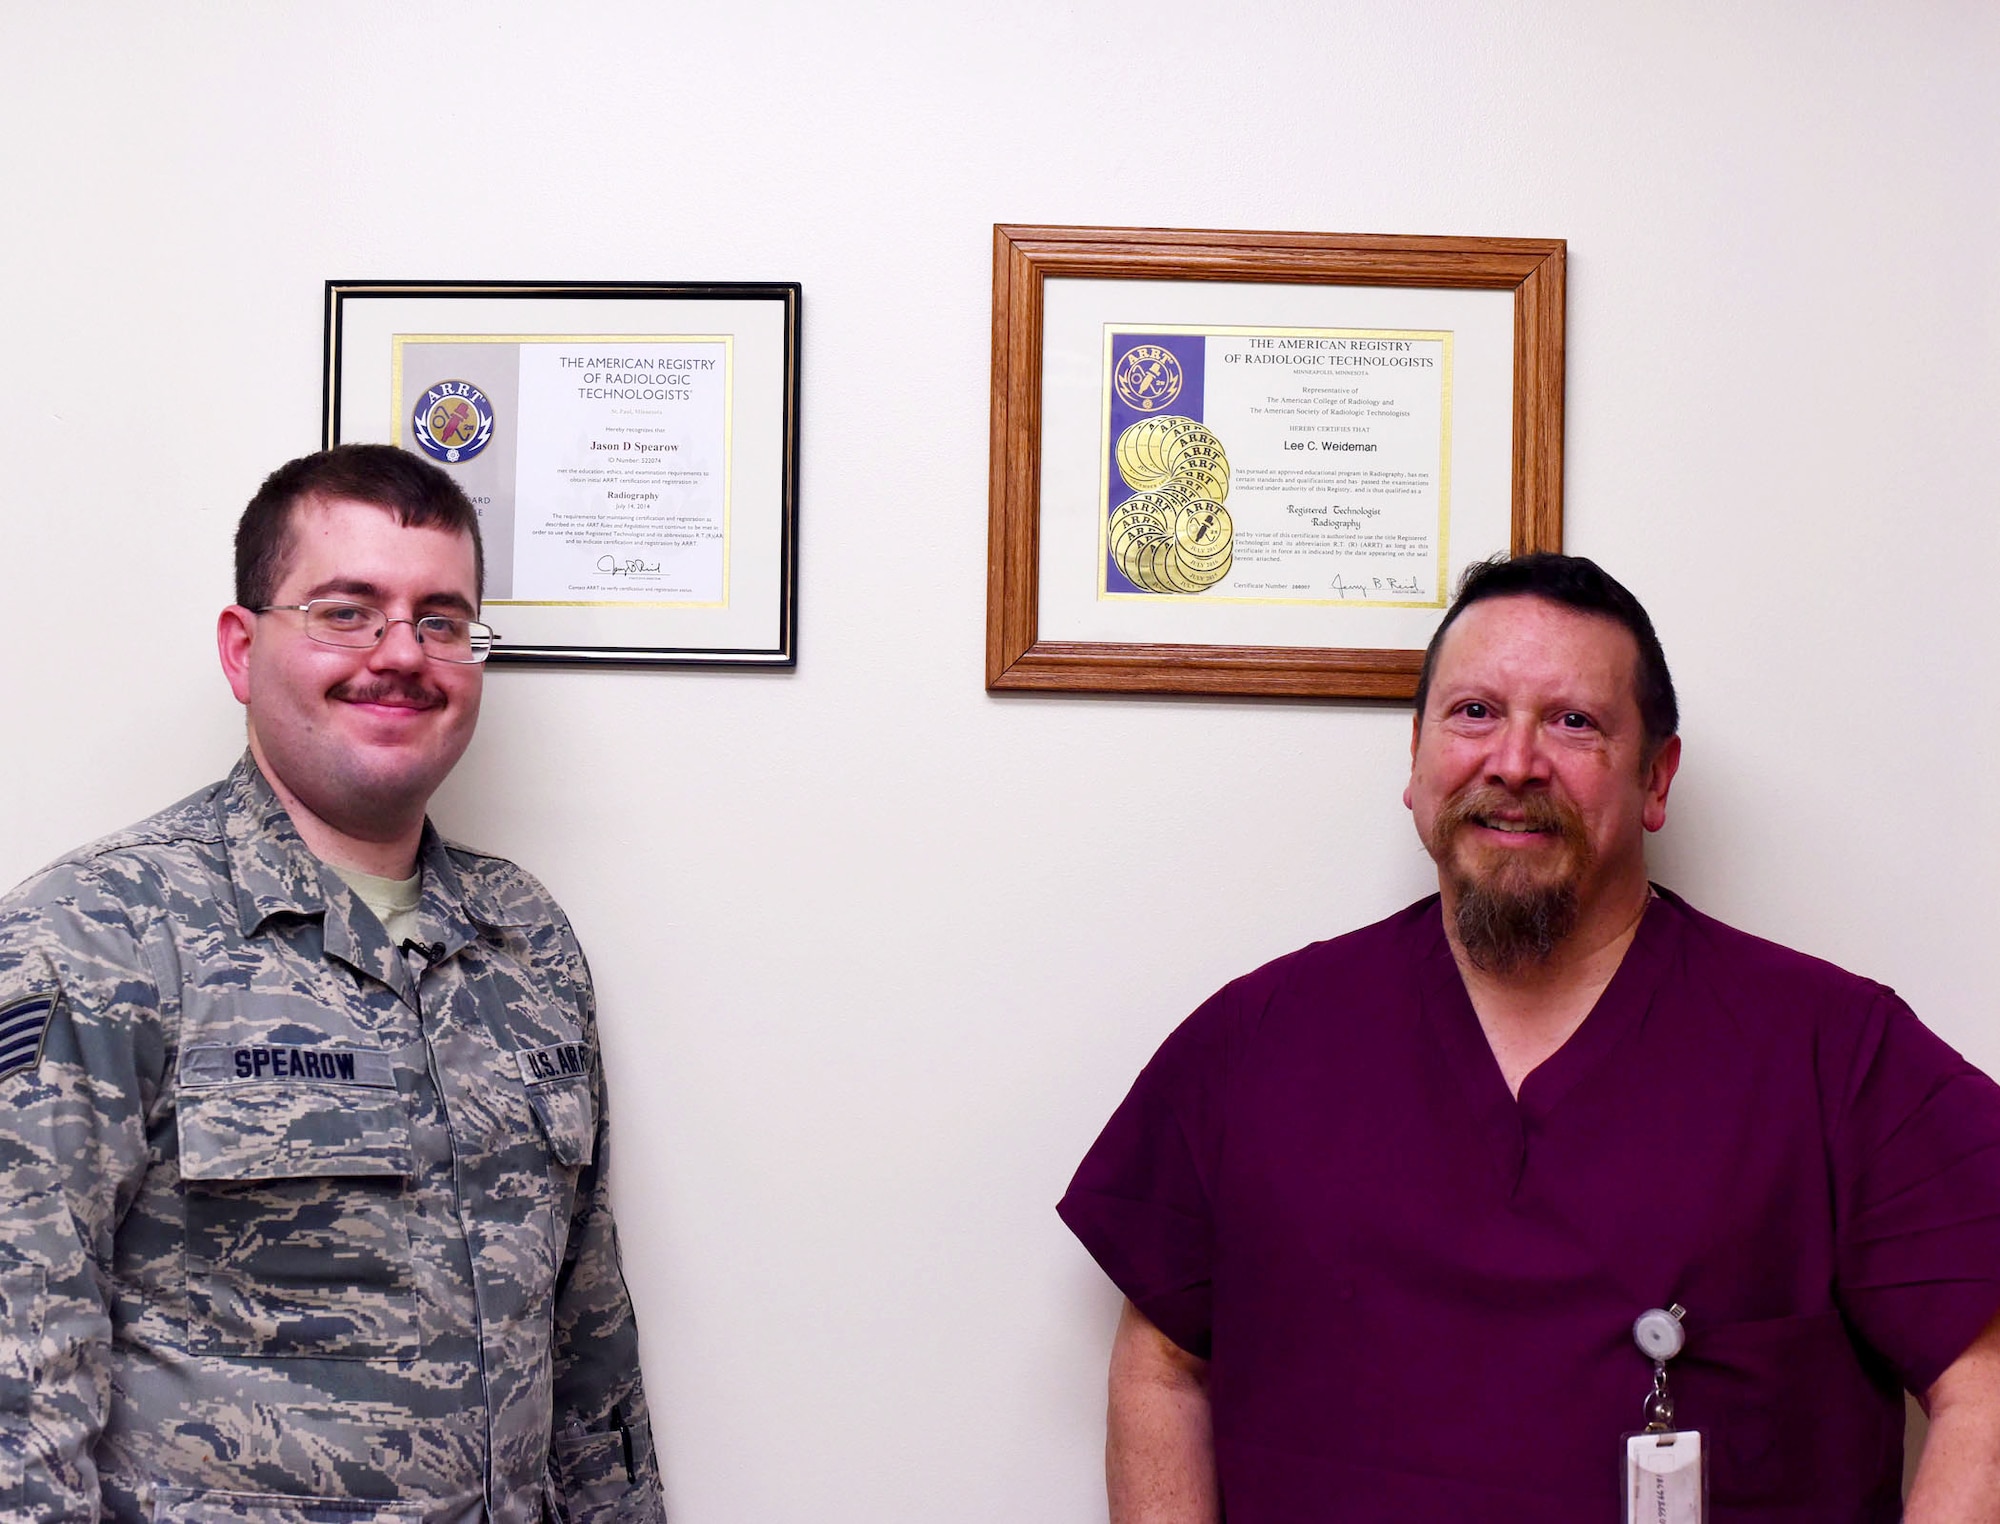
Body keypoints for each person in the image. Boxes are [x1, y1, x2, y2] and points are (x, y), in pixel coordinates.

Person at [1058, 553, 2000, 1521]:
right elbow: (1162, 1367)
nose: (1513, 762)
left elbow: (1986, 1380)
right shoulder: (1253, 1045)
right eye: (1472, 713)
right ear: (1415, 761)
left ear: (1653, 778)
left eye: (1572, 722)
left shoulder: (1833, 1055)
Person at [0, 446, 665, 1524]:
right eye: (346, 612)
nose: (401, 656)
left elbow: (591, 1365)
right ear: (240, 646)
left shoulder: (525, 941)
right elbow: (17, 1400)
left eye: (441, 620)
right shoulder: (93, 935)